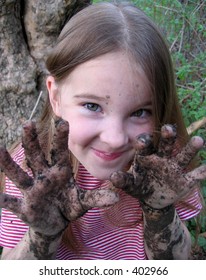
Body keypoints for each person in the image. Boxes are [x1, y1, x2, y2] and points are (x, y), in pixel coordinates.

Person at [0, 1, 205, 260]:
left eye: (140, 112)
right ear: (56, 97)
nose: (115, 138)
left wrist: (159, 214)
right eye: (92, 105)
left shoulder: (164, 165)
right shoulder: (32, 170)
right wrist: (42, 236)